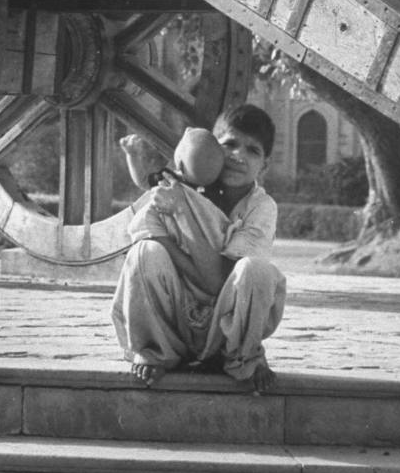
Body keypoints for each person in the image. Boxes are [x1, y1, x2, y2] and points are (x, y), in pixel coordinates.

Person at [111, 105, 285, 394]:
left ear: (264, 165)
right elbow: (150, 231)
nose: (238, 156)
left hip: (226, 324)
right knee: (144, 253)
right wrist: (178, 219)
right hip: (177, 318)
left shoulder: (261, 207)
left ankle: (241, 358)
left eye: (252, 150)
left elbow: (220, 283)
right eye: (229, 144)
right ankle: (156, 351)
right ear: (212, 146)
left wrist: (182, 215)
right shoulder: (180, 189)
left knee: (257, 270)